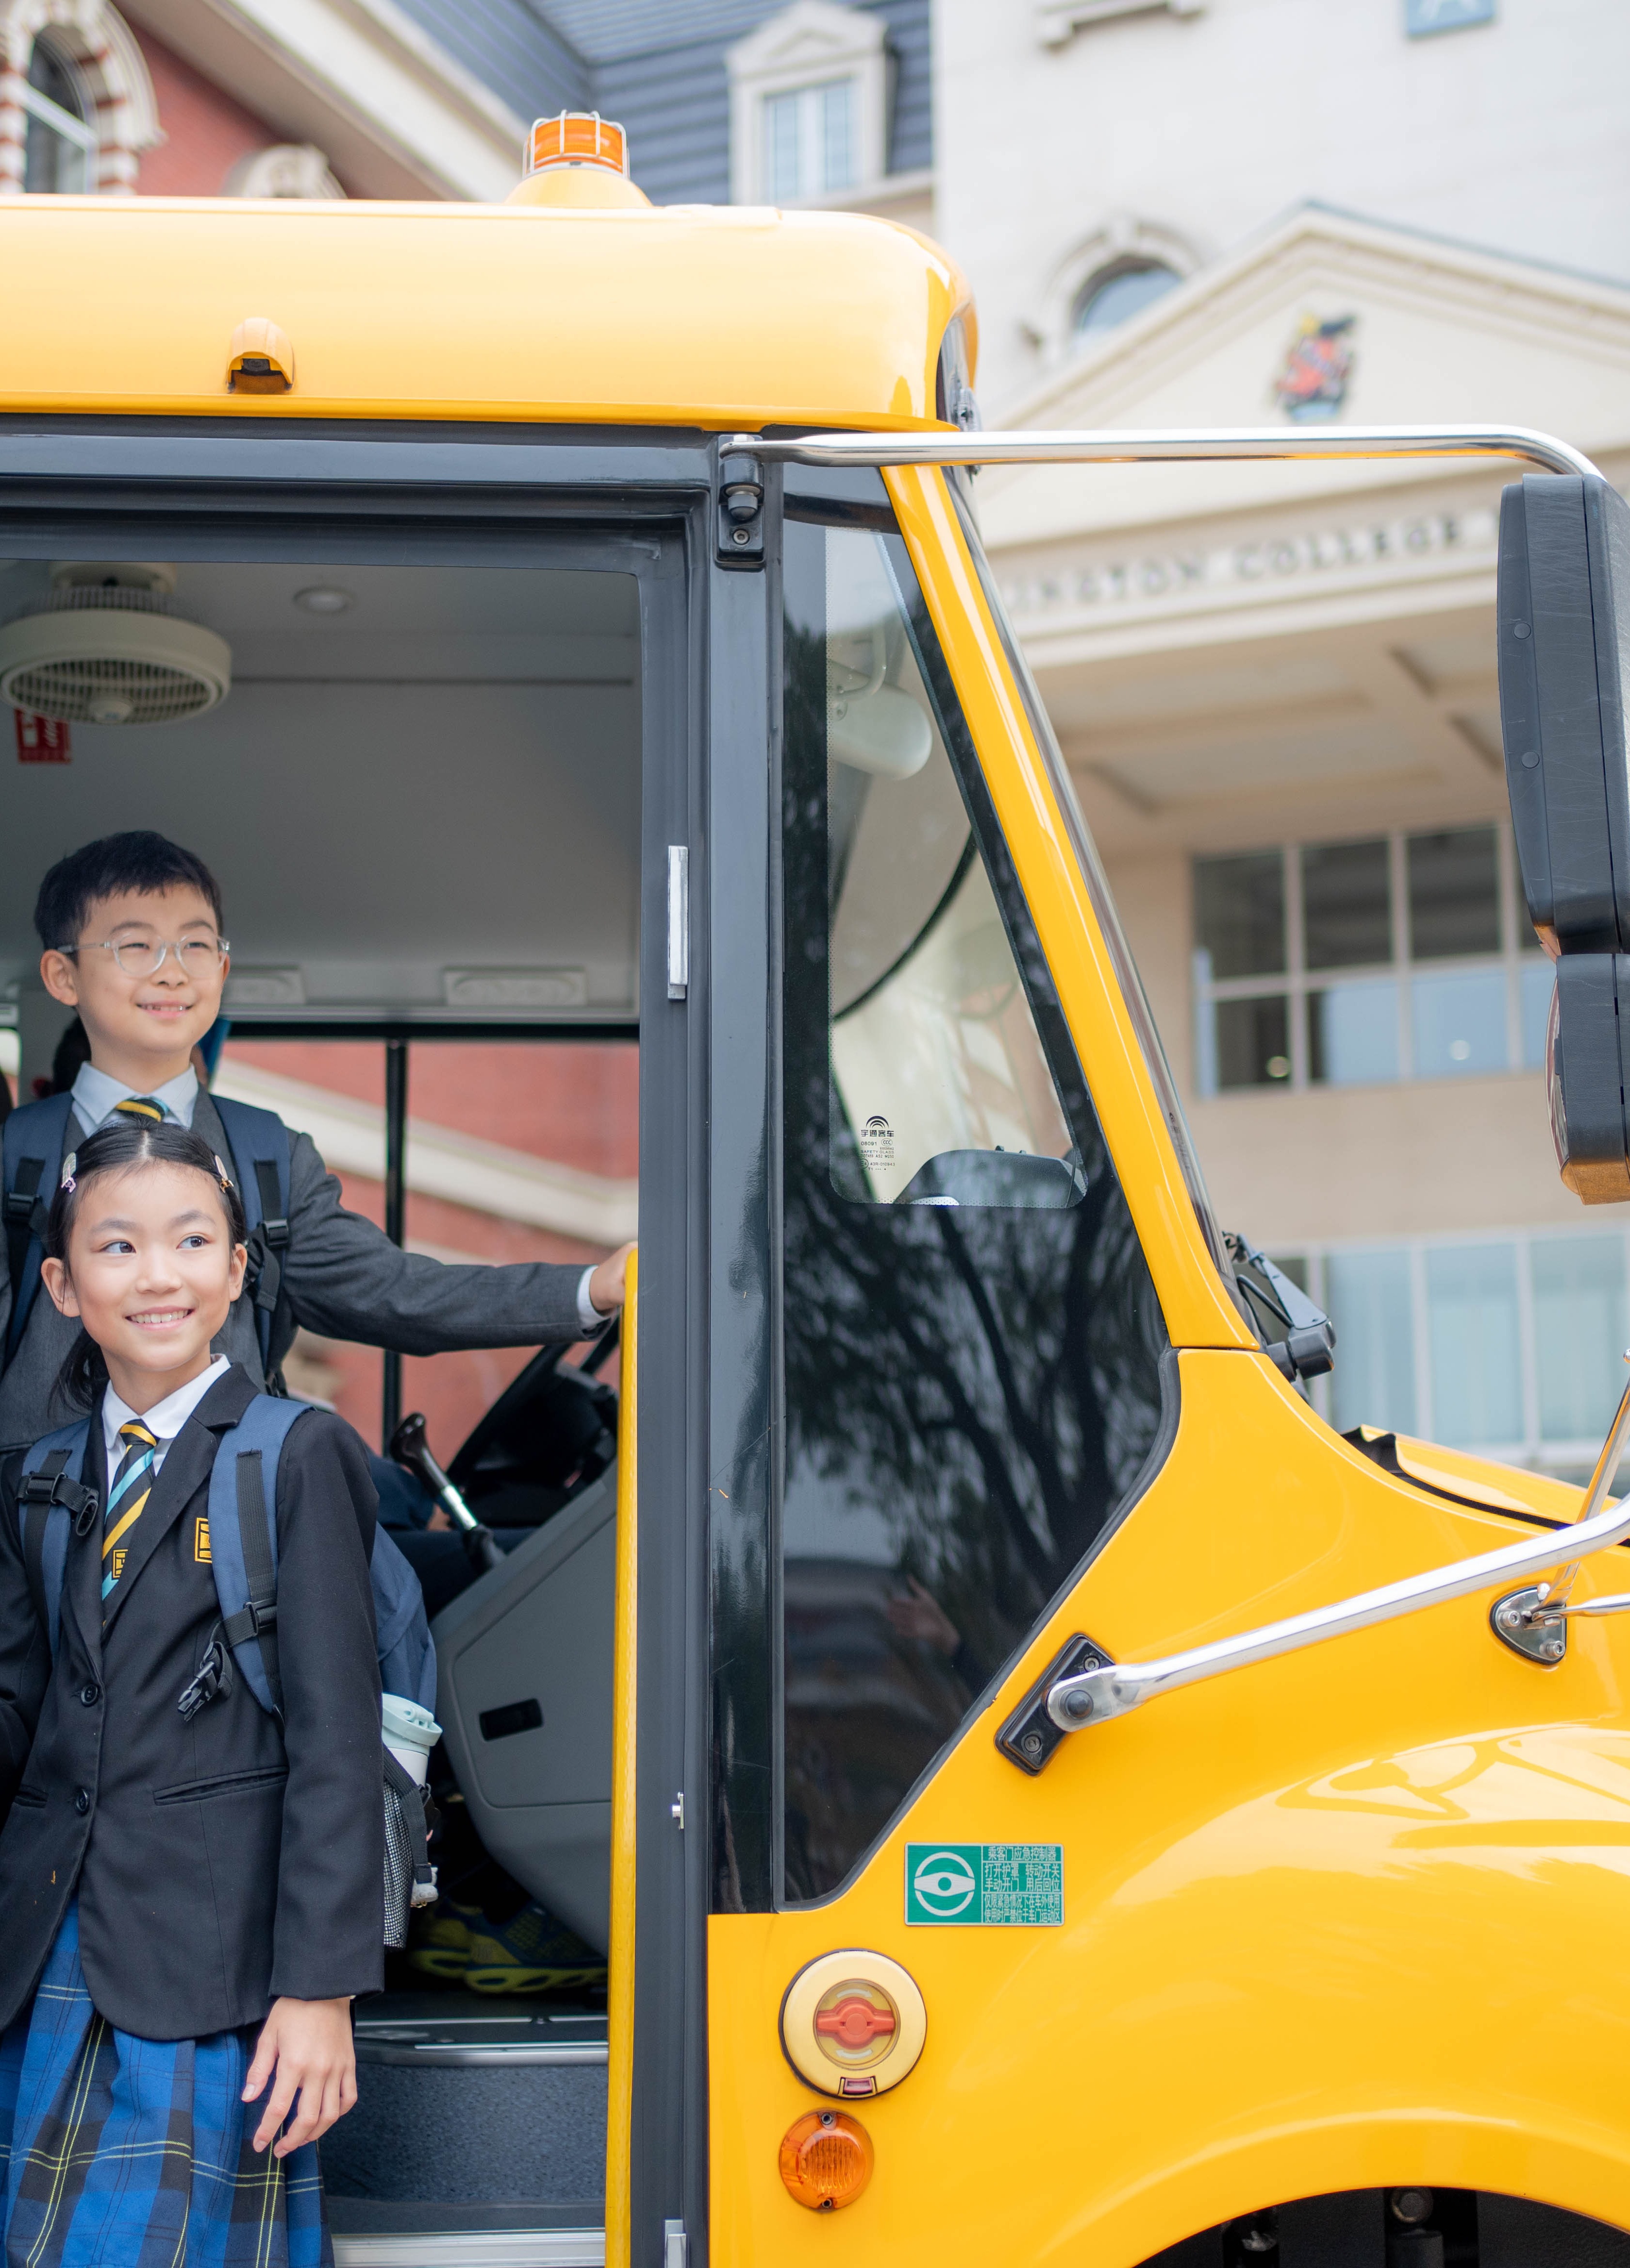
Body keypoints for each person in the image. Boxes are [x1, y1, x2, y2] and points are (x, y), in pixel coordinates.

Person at [0, 1119, 382, 2265]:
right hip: (41, 1951)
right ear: (64, 1286)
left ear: (236, 1270)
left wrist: (319, 1993)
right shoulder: (41, 1474)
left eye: (190, 1240)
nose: (156, 1273)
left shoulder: (293, 1452)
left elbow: (334, 1740)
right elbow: (19, 1713)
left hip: (209, 1968)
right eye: (116, 1246)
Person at [0, 832, 632, 1447]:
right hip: (32, 1519)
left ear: (221, 969)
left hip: (225, 1517)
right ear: (63, 975)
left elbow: (395, 1293)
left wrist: (589, 1289)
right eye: (135, 946)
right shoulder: (12, 1154)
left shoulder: (268, 1155)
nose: (172, 973)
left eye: (194, 945)